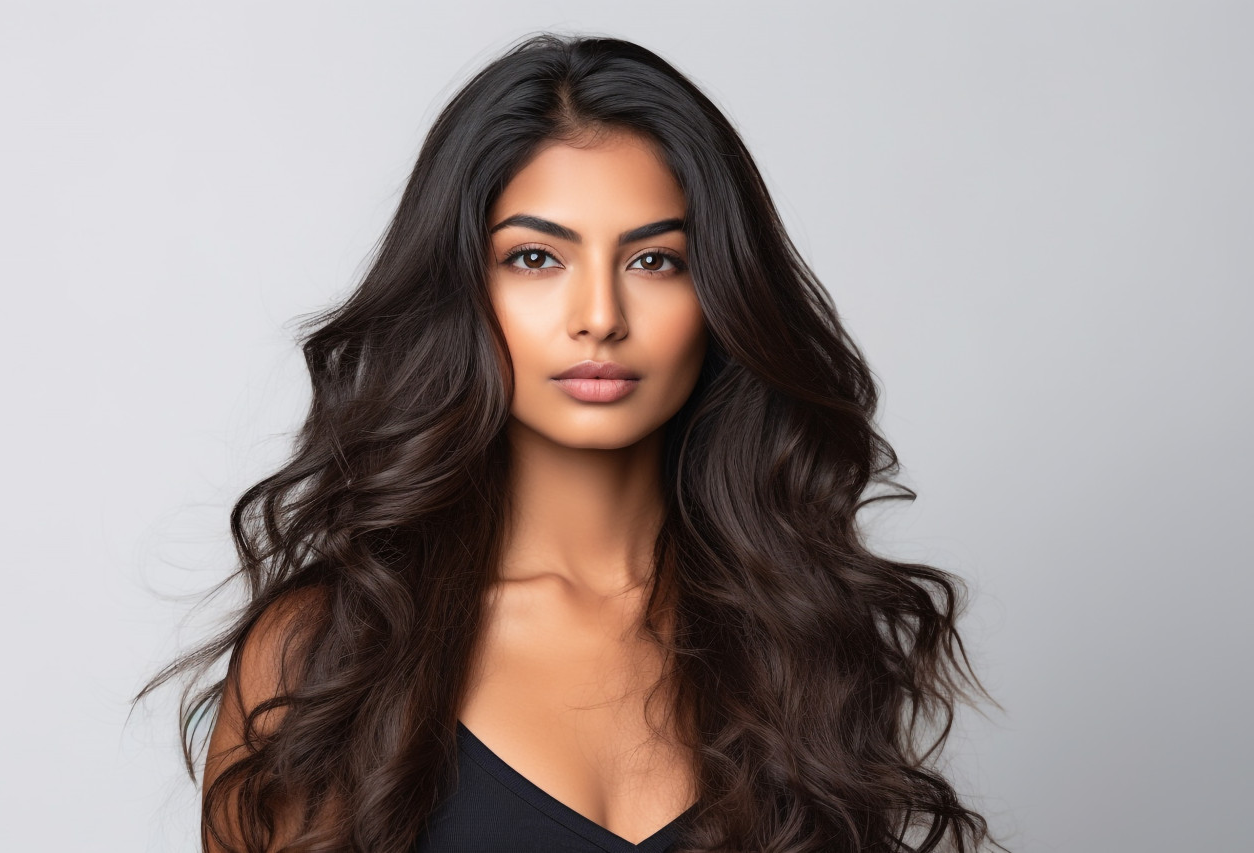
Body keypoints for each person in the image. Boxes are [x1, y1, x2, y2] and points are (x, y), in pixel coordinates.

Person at [140, 33, 1007, 853]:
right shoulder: (331, 648)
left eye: (654, 261)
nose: (599, 316)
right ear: (461, 288)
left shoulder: (799, 632)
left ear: (720, 296)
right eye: (536, 258)